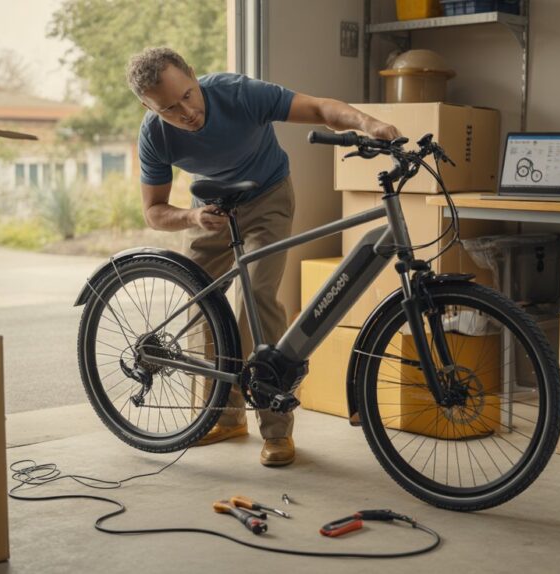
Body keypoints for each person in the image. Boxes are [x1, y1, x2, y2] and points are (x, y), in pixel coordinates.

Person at [126, 47, 399, 467]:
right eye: (169, 109)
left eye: (187, 96)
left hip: (267, 196)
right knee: (201, 308)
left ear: (194, 75)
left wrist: (370, 124)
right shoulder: (155, 136)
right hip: (211, 209)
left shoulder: (238, 93)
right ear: (149, 108)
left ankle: (276, 429)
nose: (186, 112)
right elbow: (154, 212)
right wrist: (193, 217)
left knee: (256, 298)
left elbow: (319, 108)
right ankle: (223, 417)